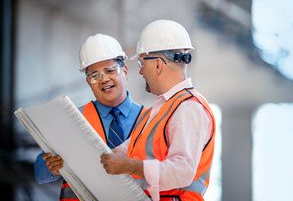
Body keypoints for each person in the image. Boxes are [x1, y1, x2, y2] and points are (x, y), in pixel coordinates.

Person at [100, 20, 216, 201]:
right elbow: (119, 155)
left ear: (157, 65)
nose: (140, 72)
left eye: (141, 63)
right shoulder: (158, 112)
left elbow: (182, 171)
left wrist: (129, 166)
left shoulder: (189, 107)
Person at [34, 33, 146, 200]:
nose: (104, 79)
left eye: (110, 70)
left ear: (125, 72)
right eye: (95, 75)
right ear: (88, 82)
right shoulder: (72, 119)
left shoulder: (150, 120)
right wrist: (51, 168)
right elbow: (40, 174)